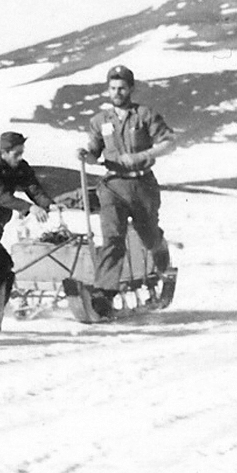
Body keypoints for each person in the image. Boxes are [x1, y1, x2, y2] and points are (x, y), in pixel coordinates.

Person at [77, 65, 176, 307]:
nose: (117, 92)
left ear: (131, 88)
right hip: (113, 186)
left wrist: (142, 155)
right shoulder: (100, 120)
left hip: (142, 185)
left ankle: (162, 254)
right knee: (112, 238)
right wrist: (86, 156)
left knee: (149, 236)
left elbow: (169, 143)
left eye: (122, 88)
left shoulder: (145, 115)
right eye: (112, 88)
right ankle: (105, 293)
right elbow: (94, 150)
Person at [0, 131, 55, 246]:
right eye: (16, 154)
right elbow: (1, 196)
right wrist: (30, 207)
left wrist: (49, 204)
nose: (20, 158)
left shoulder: (20, 166)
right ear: (4, 152)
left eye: (21, 153)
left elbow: (34, 189)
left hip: (1, 209)